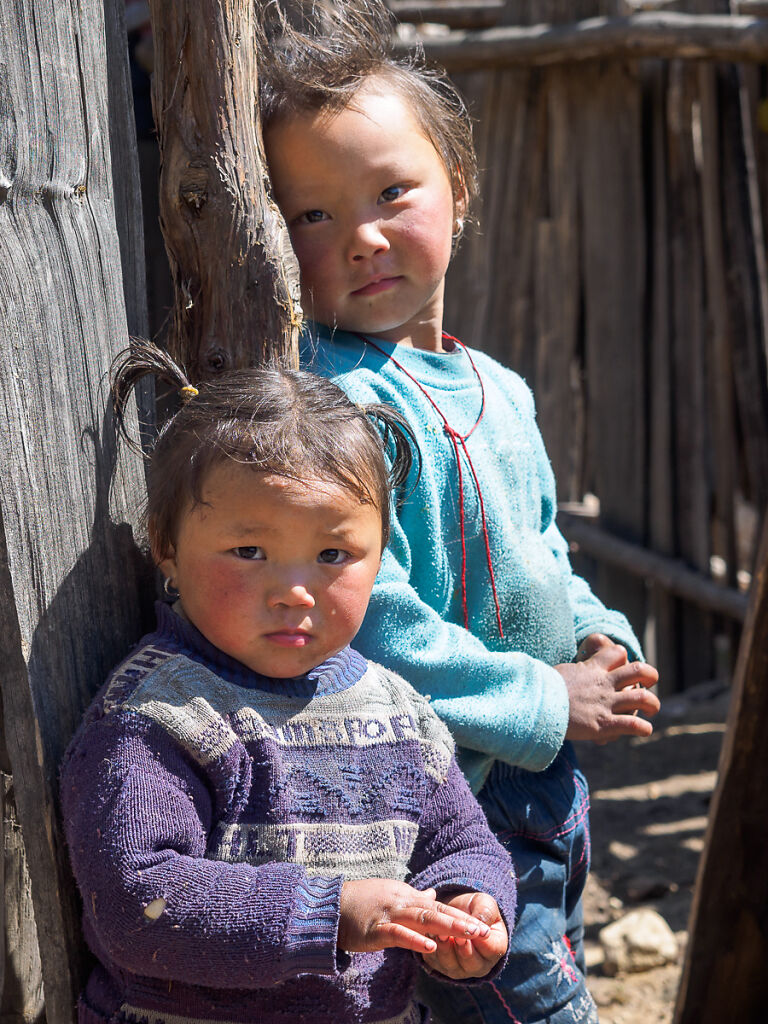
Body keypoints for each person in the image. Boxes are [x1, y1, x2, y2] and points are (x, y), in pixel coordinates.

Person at [258, 3, 661, 1022]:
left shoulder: (501, 387)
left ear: (461, 189)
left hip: (544, 779)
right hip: (447, 802)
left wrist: (595, 636)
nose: (362, 236)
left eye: (393, 189)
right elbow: (369, 620)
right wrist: (542, 696)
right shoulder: (333, 407)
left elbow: (541, 547)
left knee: (552, 960)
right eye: (311, 213)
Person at [60, 342, 517, 1024]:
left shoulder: (398, 711)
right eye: (250, 552)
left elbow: (461, 843)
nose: (295, 592)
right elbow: (136, 901)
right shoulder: (161, 712)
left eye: (333, 554)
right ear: (166, 546)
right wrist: (327, 915)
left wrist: (468, 901)